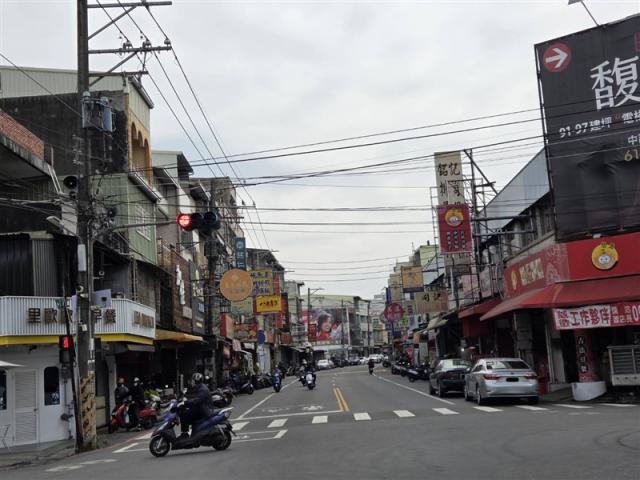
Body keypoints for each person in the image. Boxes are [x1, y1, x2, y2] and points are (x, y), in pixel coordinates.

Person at [178, 372, 214, 440]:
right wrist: (184, 398)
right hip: (201, 408)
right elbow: (192, 395)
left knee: (184, 414)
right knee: (184, 411)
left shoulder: (203, 389)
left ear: (196, 381)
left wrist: (185, 403)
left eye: (192, 380)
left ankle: (185, 434)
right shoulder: (198, 387)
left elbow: (197, 400)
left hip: (205, 411)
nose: (191, 381)